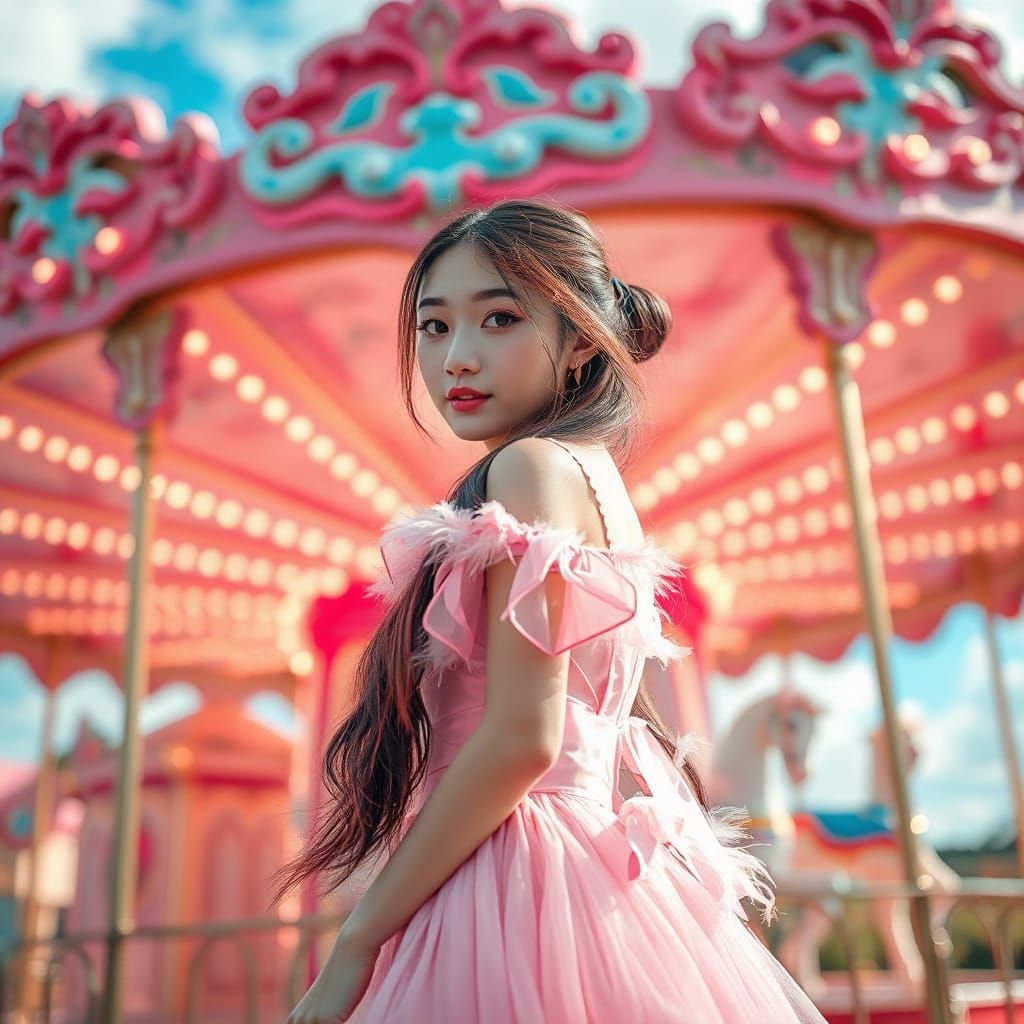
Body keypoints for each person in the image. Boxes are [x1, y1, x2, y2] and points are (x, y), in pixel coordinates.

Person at [277, 199, 830, 1023]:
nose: (457, 357)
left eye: (499, 317)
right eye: (434, 328)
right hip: (586, 862)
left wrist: (358, 939)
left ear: (579, 340)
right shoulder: (594, 476)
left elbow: (522, 738)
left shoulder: (528, 468)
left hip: (513, 866)